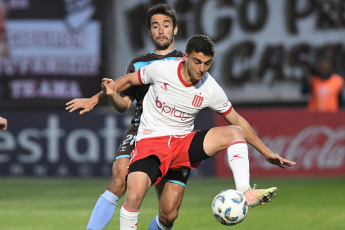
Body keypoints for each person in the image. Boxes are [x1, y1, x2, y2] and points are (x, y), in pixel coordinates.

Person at [101, 34, 296, 229]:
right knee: (133, 195)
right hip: (151, 141)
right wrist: (108, 91)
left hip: (182, 144)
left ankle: (244, 191)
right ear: (185, 57)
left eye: (207, 63)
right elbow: (128, 80)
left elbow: (237, 119)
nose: (201, 68)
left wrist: (267, 153)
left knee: (234, 132)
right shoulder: (162, 69)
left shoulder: (210, 88)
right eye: (197, 62)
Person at [66, 4, 189, 230]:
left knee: (169, 214)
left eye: (166, 25)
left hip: (176, 135)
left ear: (175, 30)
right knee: (118, 179)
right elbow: (123, 105)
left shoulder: (186, 62)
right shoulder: (138, 63)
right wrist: (111, 95)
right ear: (149, 31)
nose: (161, 30)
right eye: (155, 26)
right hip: (141, 130)